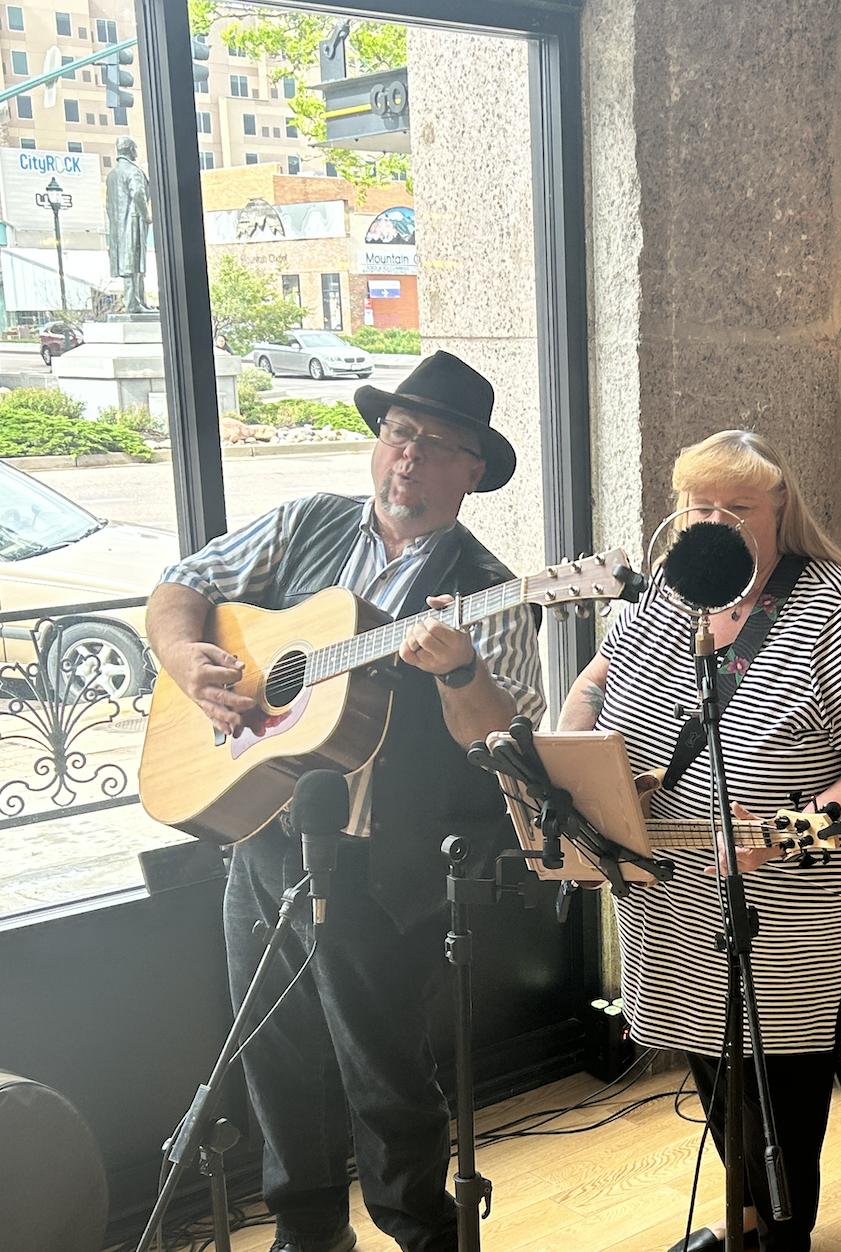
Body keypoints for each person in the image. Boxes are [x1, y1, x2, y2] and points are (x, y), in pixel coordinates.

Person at [146, 351, 544, 1252]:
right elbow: (183, 586)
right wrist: (184, 659)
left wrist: (460, 669)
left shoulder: (488, 590)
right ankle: (307, 1232)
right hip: (262, 830)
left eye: (438, 445)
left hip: (383, 860)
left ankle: (420, 1231)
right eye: (401, 433)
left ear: (472, 473)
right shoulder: (304, 524)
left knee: (386, 1070)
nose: (410, 456)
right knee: (274, 1053)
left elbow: (496, 736)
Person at [559, 430, 841, 1252]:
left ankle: (781, 1234)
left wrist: (793, 832)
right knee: (710, 1050)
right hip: (674, 876)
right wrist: (571, 751)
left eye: (737, 507)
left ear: (780, 511)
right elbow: (596, 679)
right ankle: (745, 1219)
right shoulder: (664, 598)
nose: (713, 520)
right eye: (698, 505)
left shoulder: (837, 607)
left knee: (781, 1075)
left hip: (805, 891)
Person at [106, 136, 152, 313]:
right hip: (132, 221)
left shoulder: (111, 176)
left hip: (118, 225)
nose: (137, 152)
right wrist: (146, 215)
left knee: (130, 264)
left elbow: (108, 204)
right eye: (135, 149)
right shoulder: (133, 172)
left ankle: (138, 302)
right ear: (130, 150)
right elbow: (138, 194)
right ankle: (134, 304)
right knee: (134, 263)